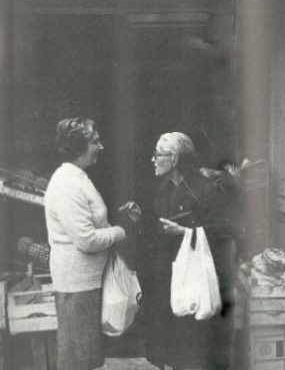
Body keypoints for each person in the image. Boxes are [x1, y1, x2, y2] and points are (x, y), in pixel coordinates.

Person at [44, 117, 139, 370]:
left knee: (87, 355)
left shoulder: (78, 177)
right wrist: (121, 231)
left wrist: (111, 223)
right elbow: (85, 240)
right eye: (95, 142)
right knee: (78, 358)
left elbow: (88, 227)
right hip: (77, 283)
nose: (101, 146)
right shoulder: (67, 184)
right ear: (78, 146)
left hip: (88, 281)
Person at [144, 132, 236, 370]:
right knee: (175, 338)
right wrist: (140, 219)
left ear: (174, 159)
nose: (152, 159)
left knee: (195, 343)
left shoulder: (204, 189)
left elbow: (222, 229)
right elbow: (159, 223)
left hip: (198, 276)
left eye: (157, 154)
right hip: (172, 272)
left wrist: (184, 232)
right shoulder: (164, 188)